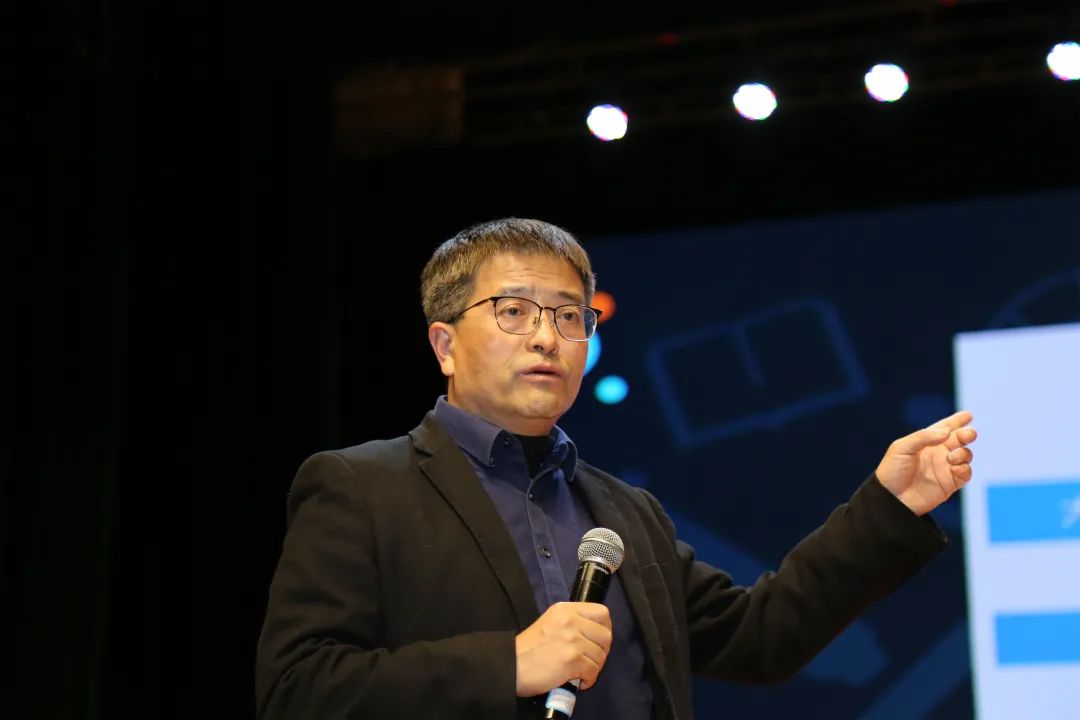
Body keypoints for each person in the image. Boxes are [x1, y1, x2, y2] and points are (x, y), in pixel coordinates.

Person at [255, 218, 977, 719]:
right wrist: (508, 664)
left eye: (570, 316)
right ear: (445, 345)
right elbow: (297, 689)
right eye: (514, 311)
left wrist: (889, 505)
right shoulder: (362, 488)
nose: (548, 337)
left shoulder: (626, 514)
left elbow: (761, 636)